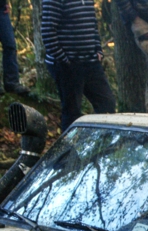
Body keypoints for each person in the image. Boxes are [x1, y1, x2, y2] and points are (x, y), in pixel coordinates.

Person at [41, 0, 116, 132]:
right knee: (72, 113)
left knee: (107, 104)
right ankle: (68, 151)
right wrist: (64, 60)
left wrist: (98, 49)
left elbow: (92, 24)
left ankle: (102, 147)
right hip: (67, 65)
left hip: (90, 62)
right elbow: (47, 32)